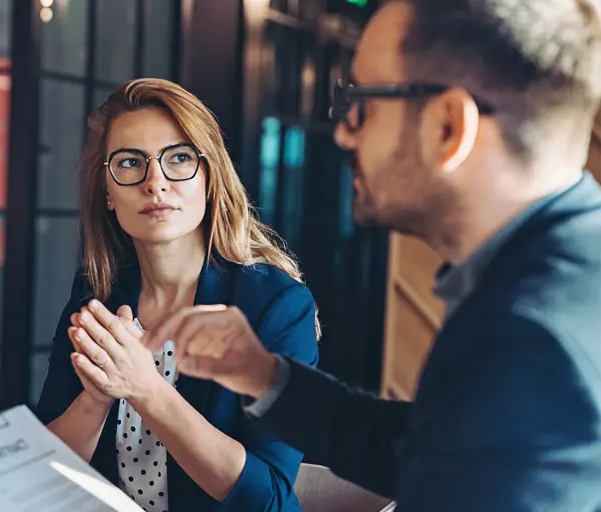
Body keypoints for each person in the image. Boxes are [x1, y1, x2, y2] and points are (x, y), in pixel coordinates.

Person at [139, 1, 601, 510]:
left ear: (448, 127)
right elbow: (424, 443)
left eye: (364, 103)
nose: (343, 131)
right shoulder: (554, 269)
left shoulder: (531, 337)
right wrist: (262, 375)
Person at [35, 78, 318, 512]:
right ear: (107, 191)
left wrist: (146, 389)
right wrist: (95, 399)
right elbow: (41, 480)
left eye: (179, 158)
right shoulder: (96, 296)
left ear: (209, 177)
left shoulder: (278, 307)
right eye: (130, 163)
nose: (155, 182)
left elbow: (269, 501)